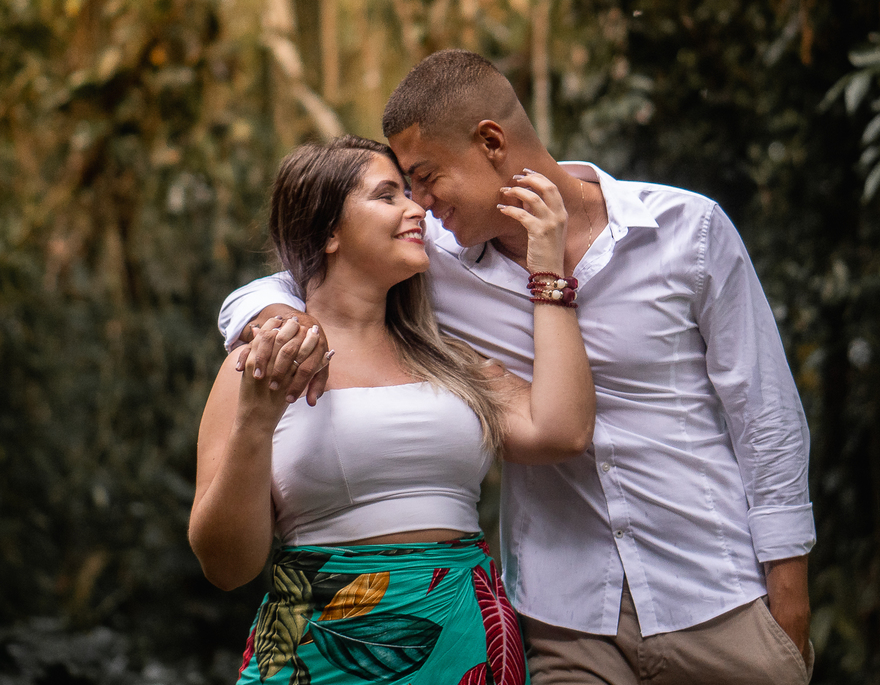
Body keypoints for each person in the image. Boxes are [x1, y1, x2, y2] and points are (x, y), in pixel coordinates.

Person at [220, 51, 816, 685]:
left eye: (425, 176)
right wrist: (279, 319)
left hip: (717, 592)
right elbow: (299, 272)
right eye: (402, 187)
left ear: (492, 142)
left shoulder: (686, 230)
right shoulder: (434, 262)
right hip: (565, 618)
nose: (419, 203)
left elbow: (767, 419)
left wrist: (789, 598)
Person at [191, 134, 595, 685]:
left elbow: (561, 430)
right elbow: (227, 566)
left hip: (464, 639)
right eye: (388, 196)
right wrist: (255, 422)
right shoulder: (261, 360)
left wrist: (548, 276)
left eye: (410, 193)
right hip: (322, 645)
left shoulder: (449, 356)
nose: (417, 210)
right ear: (328, 231)